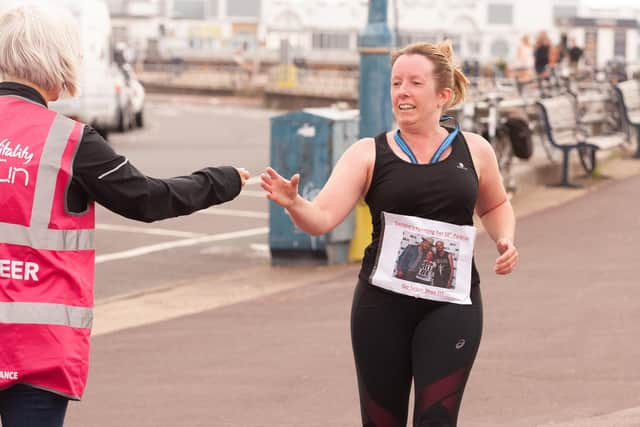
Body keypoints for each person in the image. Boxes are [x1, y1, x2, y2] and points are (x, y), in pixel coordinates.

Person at [0, 5, 250, 427]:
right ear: (55, 63)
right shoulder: (71, 141)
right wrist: (223, 180)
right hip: (37, 346)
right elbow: (148, 199)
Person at [261, 40, 518, 426]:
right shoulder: (367, 153)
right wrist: (294, 203)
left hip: (451, 304)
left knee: (437, 420)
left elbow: (495, 205)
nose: (403, 92)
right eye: (397, 83)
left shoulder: (475, 150)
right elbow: (322, 217)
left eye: (415, 83)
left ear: (442, 95)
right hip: (381, 307)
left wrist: (504, 238)